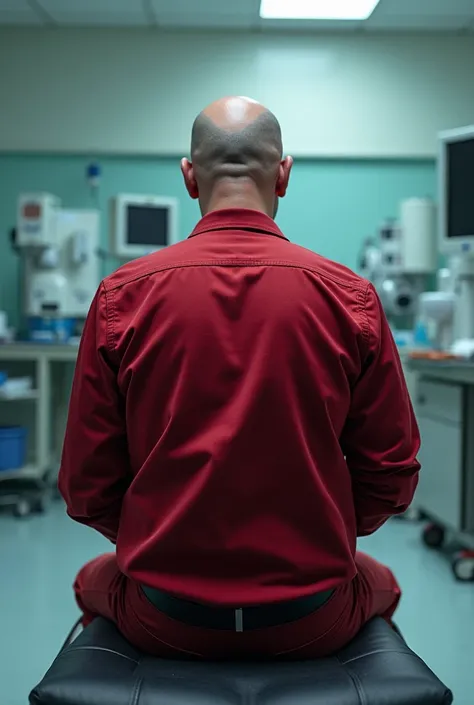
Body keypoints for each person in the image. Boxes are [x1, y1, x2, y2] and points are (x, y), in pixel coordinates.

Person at [58, 96, 420, 660]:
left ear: (188, 177)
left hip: (165, 616)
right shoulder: (351, 299)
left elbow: (85, 488)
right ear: (283, 176)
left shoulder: (121, 297)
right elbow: (392, 476)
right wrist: (325, 534)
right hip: (311, 618)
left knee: (91, 579)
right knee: (383, 582)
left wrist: (159, 538)